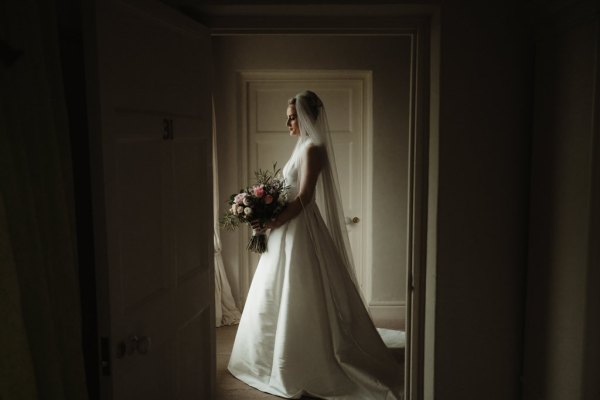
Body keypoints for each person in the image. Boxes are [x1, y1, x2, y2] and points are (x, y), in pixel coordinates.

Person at [227, 90, 403, 400]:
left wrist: (273, 221)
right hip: (286, 226)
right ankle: (266, 355)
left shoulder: (313, 149)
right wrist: (264, 209)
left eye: (292, 117)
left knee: (302, 288)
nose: (288, 123)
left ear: (307, 116)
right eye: (287, 118)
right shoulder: (302, 147)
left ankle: (303, 356)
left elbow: (305, 198)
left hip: (299, 227)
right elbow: (288, 192)